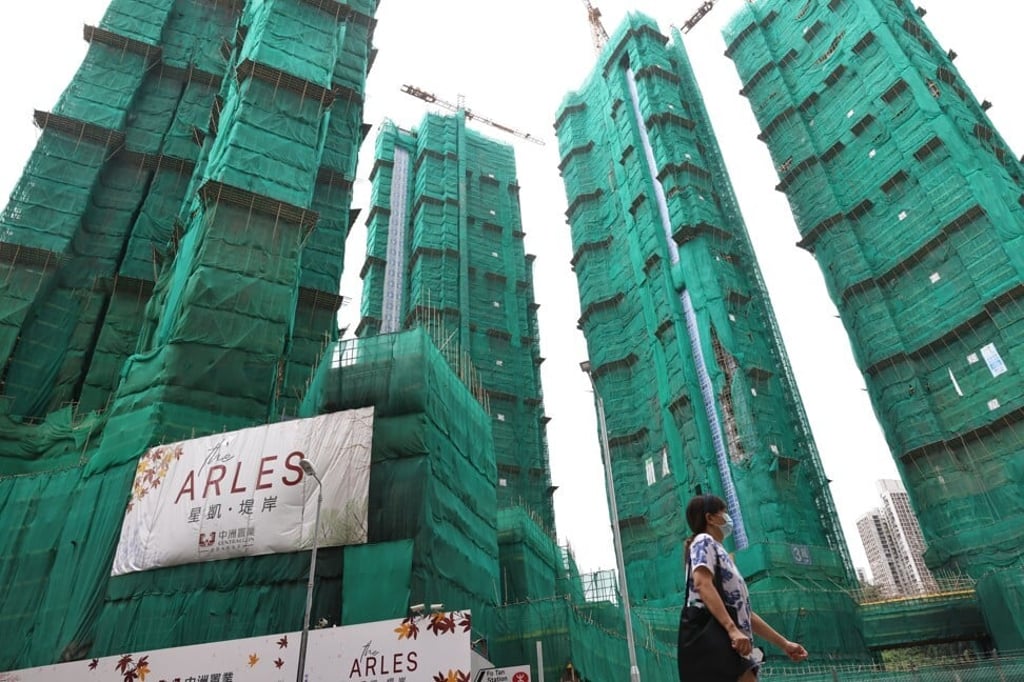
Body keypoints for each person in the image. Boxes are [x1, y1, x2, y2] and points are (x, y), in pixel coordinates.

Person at [678, 494, 808, 681]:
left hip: (734, 645)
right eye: (723, 512)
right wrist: (732, 629)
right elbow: (702, 583)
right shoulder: (703, 541)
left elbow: (745, 613)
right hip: (721, 641)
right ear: (710, 518)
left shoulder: (720, 552)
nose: (727, 517)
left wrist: (784, 644)